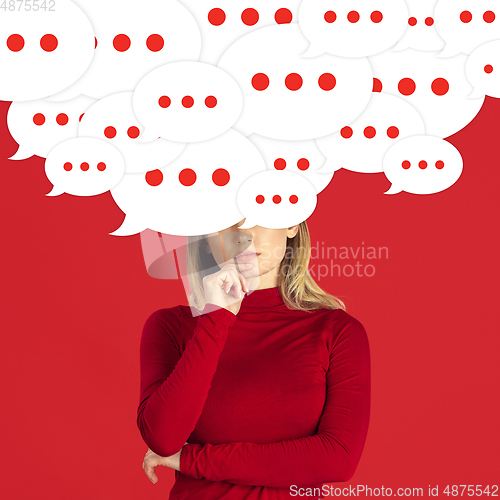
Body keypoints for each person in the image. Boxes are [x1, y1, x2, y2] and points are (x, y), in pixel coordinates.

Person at [137, 219, 371, 499]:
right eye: (226, 220)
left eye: (261, 215)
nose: (244, 234)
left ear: (292, 224)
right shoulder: (170, 326)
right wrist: (215, 319)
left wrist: (191, 460)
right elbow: (163, 439)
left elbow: (338, 459)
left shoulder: (337, 331)